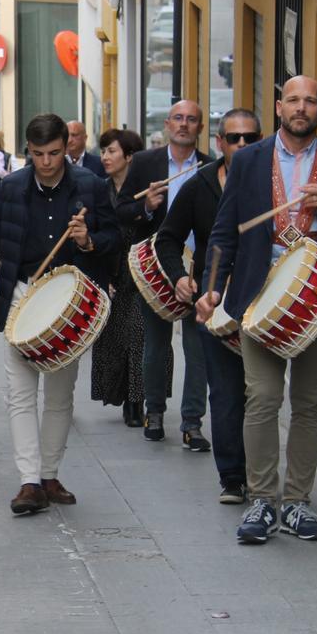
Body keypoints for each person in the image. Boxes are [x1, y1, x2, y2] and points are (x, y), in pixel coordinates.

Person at [198, 76, 317, 543]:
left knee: (308, 405)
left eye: (311, 101)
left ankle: (297, 502)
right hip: (260, 299)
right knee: (261, 398)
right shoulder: (250, 161)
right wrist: (213, 288)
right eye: (293, 100)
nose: (302, 108)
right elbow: (223, 232)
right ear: (279, 106)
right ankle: (261, 500)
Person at [0, 114, 119, 514]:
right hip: (22, 293)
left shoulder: (90, 185)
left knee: (58, 394)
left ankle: (50, 474)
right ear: (28, 151)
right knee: (20, 394)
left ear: (66, 147)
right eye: (38, 155)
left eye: (54, 153)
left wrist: (89, 241)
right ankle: (29, 481)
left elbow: (114, 239)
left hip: (67, 300)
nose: (47, 162)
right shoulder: (12, 186)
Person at [156, 109, 261, 504]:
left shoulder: (271, 183)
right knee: (225, 392)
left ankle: (261, 475)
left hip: (261, 302)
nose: (242, 145)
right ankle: (232, 477)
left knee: (261, 394)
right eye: (233, 138)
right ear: (218, 143)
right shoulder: (199, 185)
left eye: (250, 138)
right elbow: (167, 238)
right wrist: (180, 277)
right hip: (213, 304)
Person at [116, 99, 213, 448]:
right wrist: (146, 207)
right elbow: (121, 209)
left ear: (201, 128)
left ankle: (192, 423)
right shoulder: (145, 163)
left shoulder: (210, 167)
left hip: (197, 269)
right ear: (168, 125)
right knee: (156, 345)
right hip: (155, 266)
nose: (184, 124)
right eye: (178, 119)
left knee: (197, 346)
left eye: (191, 119)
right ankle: (154, 412)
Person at [89, 128, 169, 427]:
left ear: (129, 156)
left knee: (139, 335)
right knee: (113, 337)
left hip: (143, 271)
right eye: (104, 151)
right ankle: (121, 394)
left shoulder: (150, 189)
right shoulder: (101, 189)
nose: (105, 157)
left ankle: (139, 401)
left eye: (111, 151)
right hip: (111, 271)